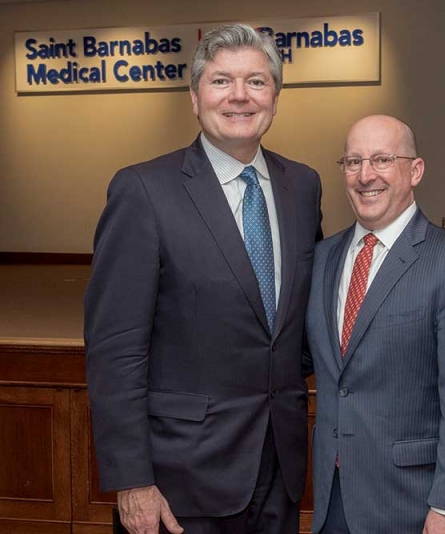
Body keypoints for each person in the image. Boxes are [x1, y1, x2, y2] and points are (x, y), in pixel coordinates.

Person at [84, 24, 322, 534]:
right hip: (178, 480)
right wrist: (133, 480)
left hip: (280, 467)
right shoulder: (143, 191)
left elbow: (296, 322)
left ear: (275, 99)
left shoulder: (302, 185)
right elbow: (116, 349)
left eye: (256, 82)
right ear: (195, 98)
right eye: (221, 82)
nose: (240, 96)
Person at [305, 114, 445, 533]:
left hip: (415, 503)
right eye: (353, 161)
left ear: (415, 170)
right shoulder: (323, 259)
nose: (365, 175)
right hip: (332, 497)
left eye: (381, 159)